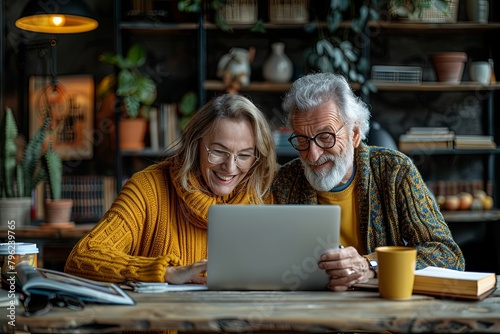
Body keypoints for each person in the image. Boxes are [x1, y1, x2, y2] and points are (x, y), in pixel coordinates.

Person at [271, 72, 465, 292]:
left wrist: (370, 265)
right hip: (307, 312)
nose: (312, 155)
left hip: (383, 314)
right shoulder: (284, 181)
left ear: (354, 133)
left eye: (326, 137)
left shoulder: (395, 171)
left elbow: (447, 254)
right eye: (302, 140)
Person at [65, 94, 277, 284]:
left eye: (244, 155)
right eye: (218, 151)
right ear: (196, 144)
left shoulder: (262, 196)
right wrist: (164, 272)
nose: (230, 167)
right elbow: (82, 258)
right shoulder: (147, 188)